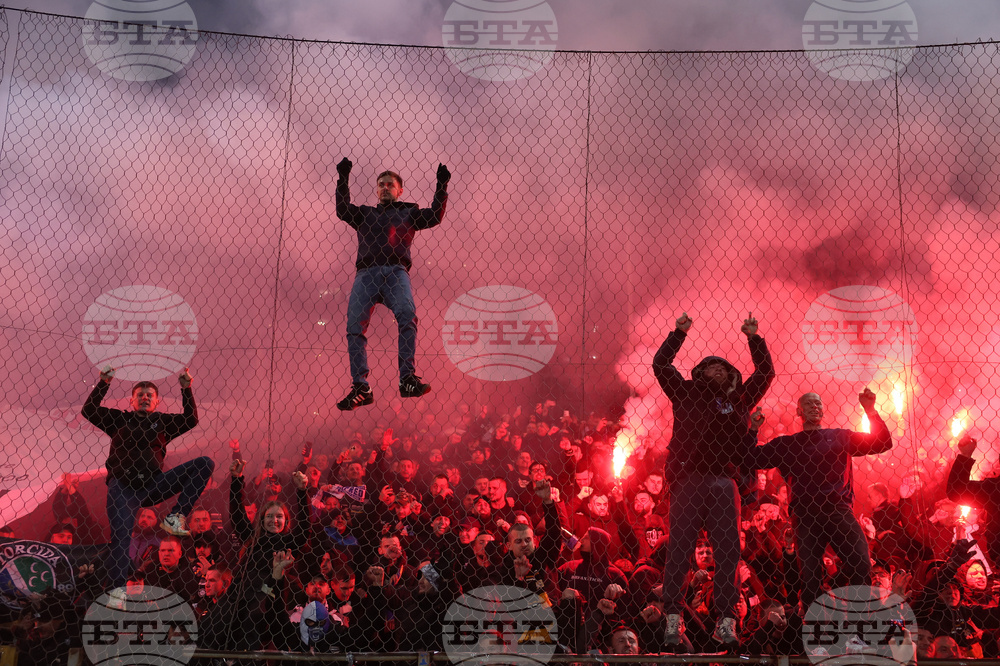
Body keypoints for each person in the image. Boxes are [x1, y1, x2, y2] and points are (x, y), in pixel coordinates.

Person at [652, 312, 774, 650]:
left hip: (724, 481)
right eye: (710, 367)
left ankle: (726, 620)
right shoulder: (685, 393)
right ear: (700, 373)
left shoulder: (740, 399)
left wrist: (754, 338)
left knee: (729, 552)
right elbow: (661, 365)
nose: (718, 370)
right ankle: (673, 617)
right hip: (688, 480)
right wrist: (678, 333)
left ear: (731, 375)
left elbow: (765, 372)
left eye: (723, 367)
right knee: (680, 549)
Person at [745, 388, 891, 612]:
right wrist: (753, 429)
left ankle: (858, 620)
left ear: (823, 410)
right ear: (798, 411)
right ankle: (814, 625)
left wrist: (870, 410)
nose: (815, 406)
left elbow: (882, 442)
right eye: (809, 403)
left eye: (818, 403)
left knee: (861, 563)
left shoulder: (840, 436)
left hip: (837, 510)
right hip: (806, 516)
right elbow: (750, 458)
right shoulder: (788, 444)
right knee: (810, 577)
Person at [81, 365, 213, 603]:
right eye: (140, 395)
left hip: (153, 485)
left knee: (204, 464)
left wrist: (186, 388)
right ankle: (116, 596)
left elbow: (190, 419)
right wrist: (104, 383)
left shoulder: (162, 422)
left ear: (157, 402)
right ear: (132, 401)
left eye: (149, 395)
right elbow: (89, 410)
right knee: (121, 539)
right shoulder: (119, 419)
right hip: (123, 488)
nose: (144, 398)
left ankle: (176, 517)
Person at [333, 157, 451, 410]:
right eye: (381, 185)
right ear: (377, 190)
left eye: (390, 185)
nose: (385, 188)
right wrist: (343, 179)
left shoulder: (409, 212)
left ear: (400, 190)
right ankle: (361, 387)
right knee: (354, 327)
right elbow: (343, 210)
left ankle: (407, 378)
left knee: (407, 315)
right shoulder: (365, 214)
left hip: (396, 272)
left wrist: (441, 186)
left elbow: (434, 216)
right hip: (366, 273)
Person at [947, 433, 1000, 566]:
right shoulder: (995, 489)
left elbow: (956, 491)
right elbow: (957, 491)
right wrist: (965, 456)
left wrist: (965, 455)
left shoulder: (995, 489)